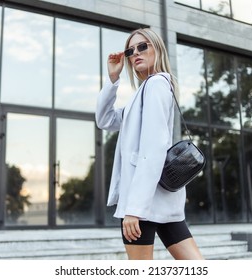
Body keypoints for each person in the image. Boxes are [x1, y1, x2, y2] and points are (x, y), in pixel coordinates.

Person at [96, 28, 204, 260]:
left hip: (142, 203)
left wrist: (135, 209)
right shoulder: (142, 92)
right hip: (161, 202)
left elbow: (153, 149)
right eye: (130, 50)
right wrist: (113, 79)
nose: (136, 53)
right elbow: (105, 120)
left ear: (157, 48)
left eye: (142, 46)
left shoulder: (156, 85)